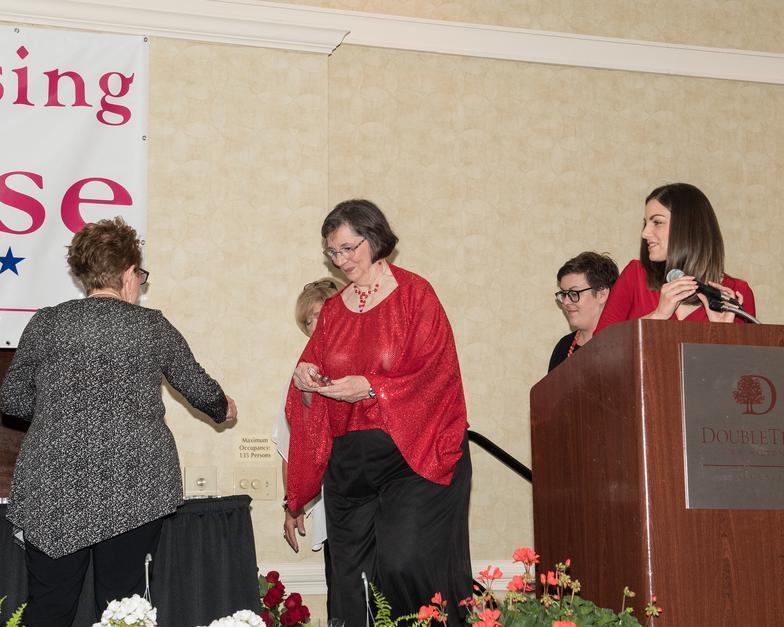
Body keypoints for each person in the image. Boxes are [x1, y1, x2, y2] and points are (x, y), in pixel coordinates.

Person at [0, 217, 237, 627]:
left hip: (55, 487)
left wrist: (62, 411)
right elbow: (199, 389)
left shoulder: (46, 323)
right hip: (134, 485)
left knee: (49, 609)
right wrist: (224, 408)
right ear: (129, 273)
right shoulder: (151, 326)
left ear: (84, 274)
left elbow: (12, 400)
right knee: (123, 610)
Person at [284, 199, 472, 626]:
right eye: (333, 252)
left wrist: (372, 387)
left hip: (412, 456)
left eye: (349, 248)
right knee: (350, 582)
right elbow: (310, 385)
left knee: (404, 565)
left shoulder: (415, 294)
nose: (341, 260)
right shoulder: (333, 311)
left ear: (374, 238)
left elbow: (437, 373)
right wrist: (306, 378)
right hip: (350, 465)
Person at [273, 277, 345, 613]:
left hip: (380, 500)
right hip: (337, 503)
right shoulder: (302, 375)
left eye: (321, 315)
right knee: (342, 592)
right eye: (308, 320)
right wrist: (293, 504)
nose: (315, 326)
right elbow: (292, 445)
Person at [596, 182, 755, 332]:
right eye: (646, 223)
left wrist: (724, 333)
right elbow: (599, 346)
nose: (645, 233)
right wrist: (657, 316)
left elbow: (749, 353)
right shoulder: (635, 275)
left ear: (688, 227)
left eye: (657, 222)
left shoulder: (737, 293)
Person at [549, 252, 619, 371]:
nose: (565, 302)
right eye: (564, 294)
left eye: (574, 293)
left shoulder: (623, 346)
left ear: (602, 294)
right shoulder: (563, 347)